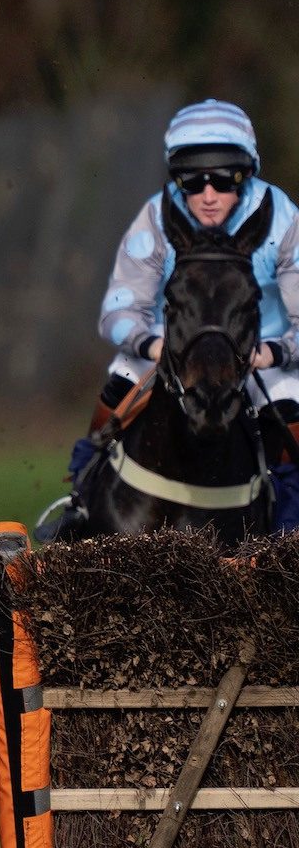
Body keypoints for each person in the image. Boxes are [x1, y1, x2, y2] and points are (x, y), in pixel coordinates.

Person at [44, 99, 299, 537]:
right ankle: (82, 496)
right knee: (119, 386)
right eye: (192, 181)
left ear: (248, 173)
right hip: (173, 344)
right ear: (176, 179)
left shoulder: (282, 220)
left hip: (262, 350)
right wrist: (150, 344)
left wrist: (274, 351)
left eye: (224, 179)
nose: (208, 195)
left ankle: (289, 531)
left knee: (291, 415)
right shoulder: (155, 217)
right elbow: (118, 311)